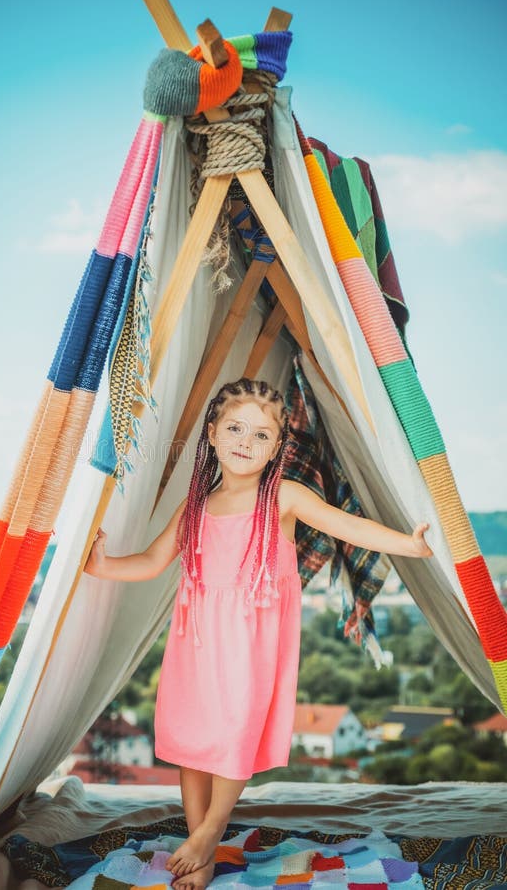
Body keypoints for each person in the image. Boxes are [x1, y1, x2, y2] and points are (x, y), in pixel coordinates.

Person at [84, 377, 433, 890]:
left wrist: (410, 544)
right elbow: (155, 561)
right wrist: (101, 564)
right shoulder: (196, 505)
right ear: (212, 432)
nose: (246, 442)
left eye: (262, 435)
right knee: (194, 739)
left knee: (233, 733)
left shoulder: (285, 497)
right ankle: (200, 849)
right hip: (198, 637)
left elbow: (347, 527)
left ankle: (210, 832)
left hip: (253, 639)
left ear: (276, 450)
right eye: (235, 428)